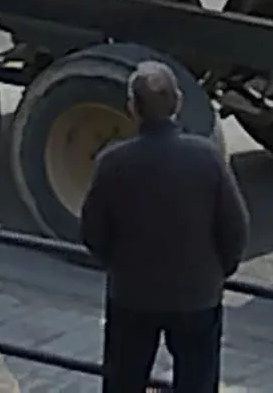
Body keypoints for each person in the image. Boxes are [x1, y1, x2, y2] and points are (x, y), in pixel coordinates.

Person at [80, 61, 250, 393]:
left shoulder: (114, 163)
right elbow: (235, 227)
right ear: (178, 102)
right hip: (197, 296)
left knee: (124, 380)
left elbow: (93, 233)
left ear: (132, 107)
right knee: (197, 381)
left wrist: (118, 266)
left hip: (132, 294)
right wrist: (217, 273)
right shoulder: (207, 157)